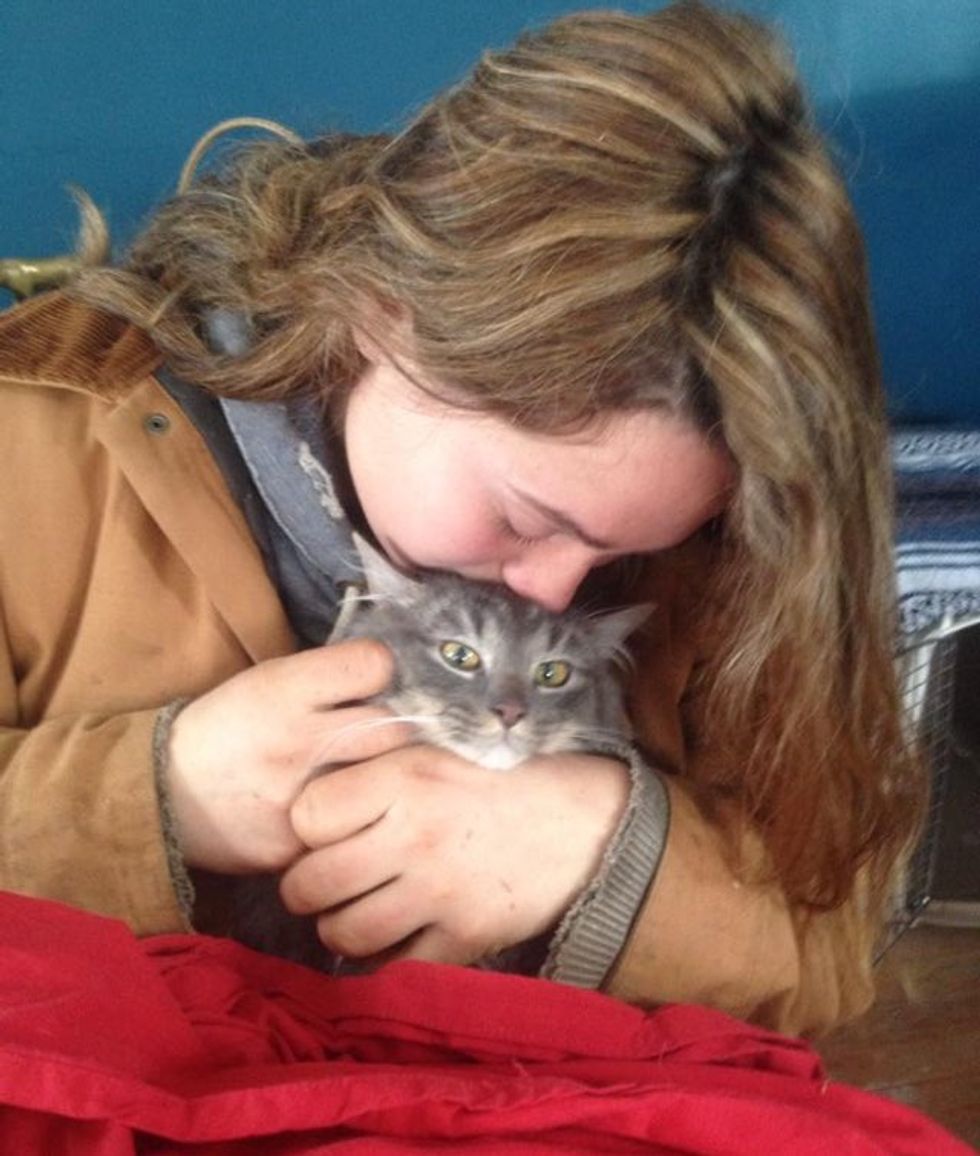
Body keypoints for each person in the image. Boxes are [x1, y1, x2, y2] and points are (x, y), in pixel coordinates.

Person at [0, 1, 921, 1037]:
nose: (557, 590)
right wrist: (151, 796)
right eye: (524, 514)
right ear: (380, 312)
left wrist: (608, 847)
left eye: (627, 547)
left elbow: (832, 933)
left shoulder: (720, 550)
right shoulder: (30, 442)